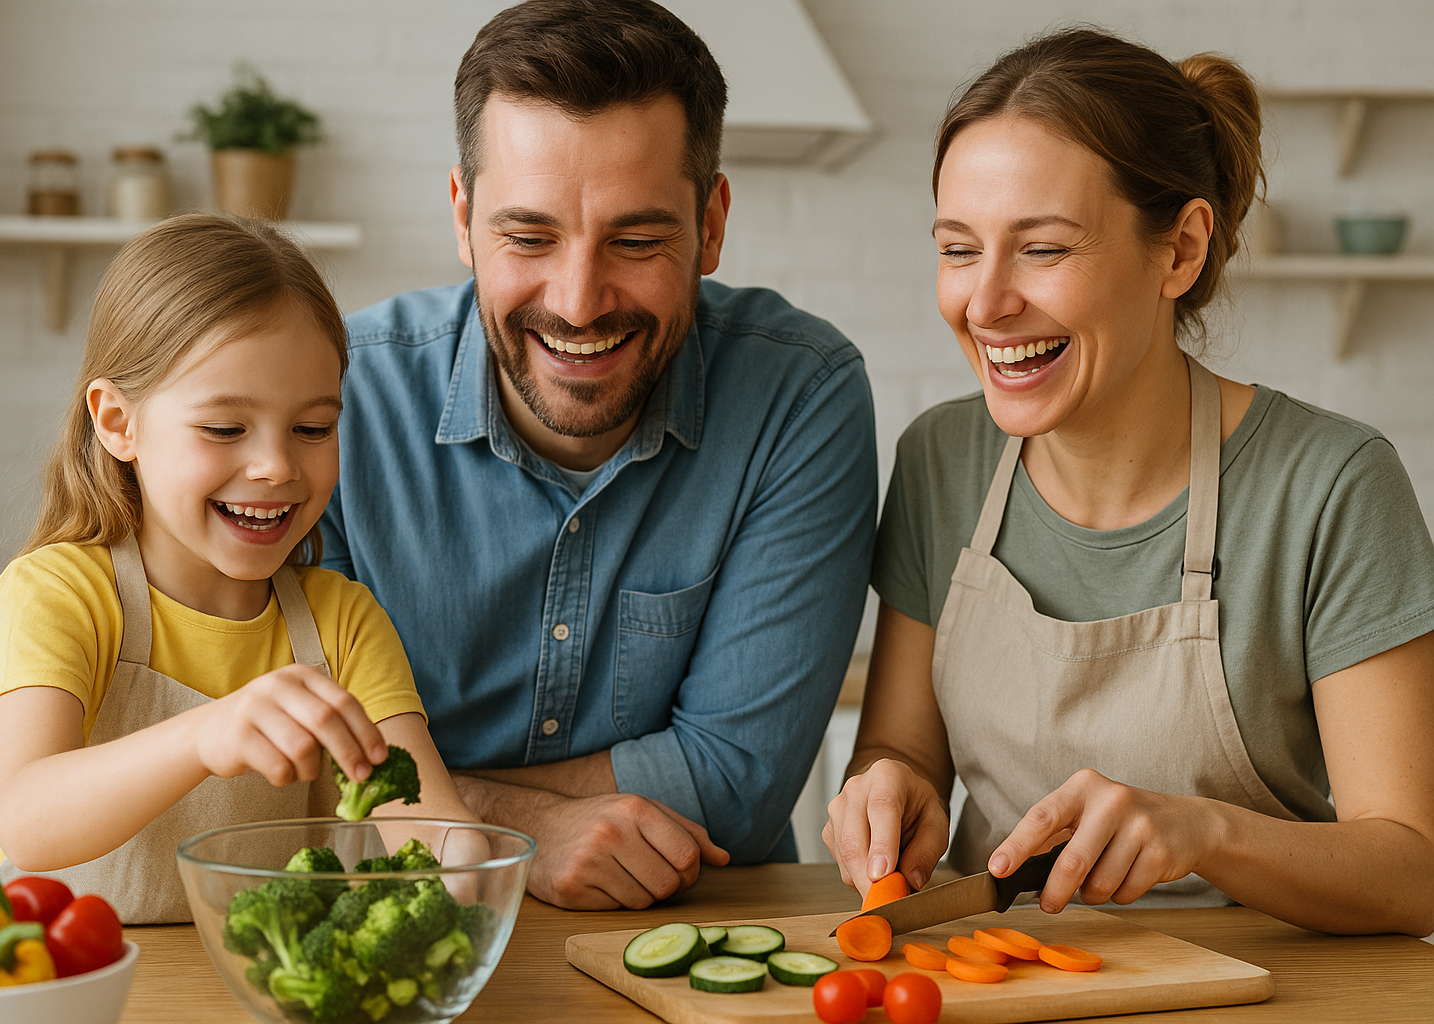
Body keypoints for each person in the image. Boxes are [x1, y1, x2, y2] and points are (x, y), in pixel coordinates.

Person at [824, 28, 1434, 936]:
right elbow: (901, 746)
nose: (985, 304)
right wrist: (888, 789)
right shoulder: (940, 459)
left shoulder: (1331, 486)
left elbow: (1412, 869)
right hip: (997, 973)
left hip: (1271, 991)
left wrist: (1205, 832)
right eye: (958, 249)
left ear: (1180, 250)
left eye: (1044, 249)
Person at [320, 0, 877, 910]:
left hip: (702, 941)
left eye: (637, 240)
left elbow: (735, 783)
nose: (578, 302)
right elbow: (289, 776)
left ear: (712, 224)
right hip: (401, 934)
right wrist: (522, 840)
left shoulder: (799, 394)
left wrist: (425, 802)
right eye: (529, 237)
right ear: (463, 217)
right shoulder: (334, 402)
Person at [0, 214, 478, 923]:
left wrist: (468, 874)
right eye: (225, 428)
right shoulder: (59, 593)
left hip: (249, 986)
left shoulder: (343, 621)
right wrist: (206, 734)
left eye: (313, 428)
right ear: (118, 422)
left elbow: (429, 824)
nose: (275, 465)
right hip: (61, 985)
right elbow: (26, 819)